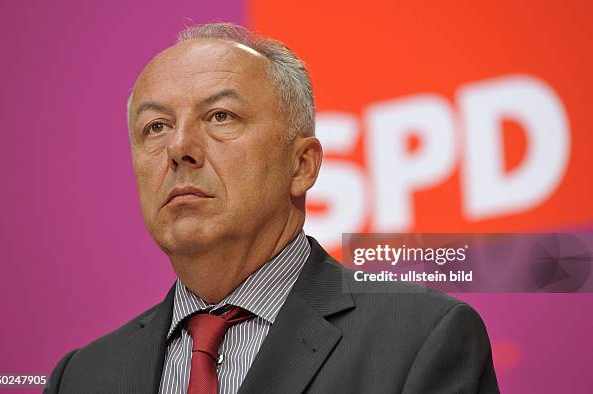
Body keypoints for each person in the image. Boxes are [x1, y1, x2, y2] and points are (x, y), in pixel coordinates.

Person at [45, 23, 499, 394]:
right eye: (156, 126)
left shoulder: (421, 339)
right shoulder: (81, 378)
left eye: (220, 116)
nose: (179, 147)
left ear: (302, 166)